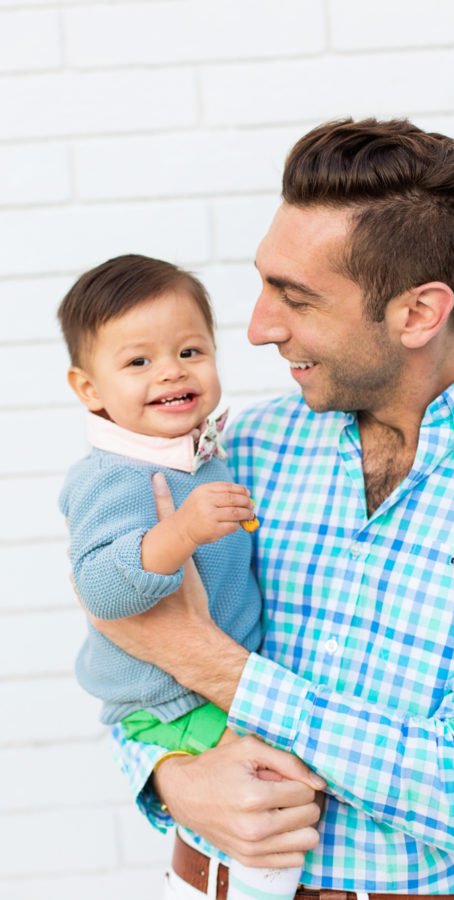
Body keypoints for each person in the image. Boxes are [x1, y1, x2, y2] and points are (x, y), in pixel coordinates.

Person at [90, 119, 454, 900]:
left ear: (418, 314)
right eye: (264, 285)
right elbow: (127, 642)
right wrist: (170, 776)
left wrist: (211, 663)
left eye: (295, 298)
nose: (258, 328)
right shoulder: (247, 447)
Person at [57, 254, 312, 900]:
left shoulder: (200, 455)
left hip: (216, 682)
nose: (170, 370)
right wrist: (180, 534)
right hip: (168, 703)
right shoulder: (112, 476)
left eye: (190, 350)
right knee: (276, 787)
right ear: (89, 390)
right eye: (138, 361)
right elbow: (101, 591)